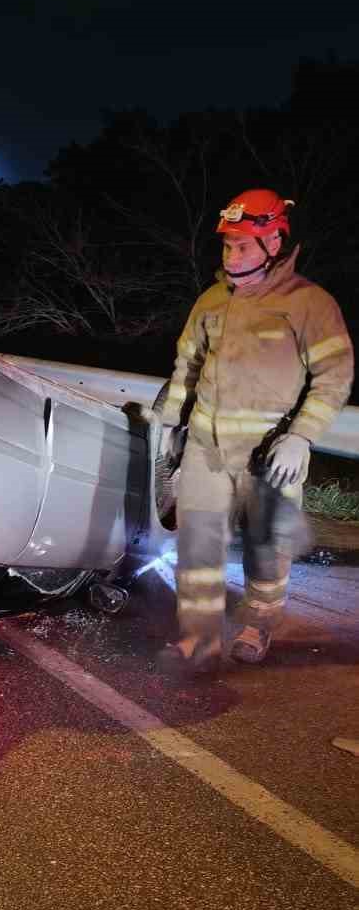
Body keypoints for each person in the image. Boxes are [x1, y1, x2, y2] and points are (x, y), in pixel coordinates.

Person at [159, 189, 353, 670]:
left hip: (270, 454)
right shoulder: (211, 299)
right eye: (227, 246)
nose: (232, 255)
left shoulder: (309, 303)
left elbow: (334, 375)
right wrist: (173, 422)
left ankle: (257, 626)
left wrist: (302, 435)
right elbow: (188, 363)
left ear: (276, 244)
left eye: (244, 245)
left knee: (267, 550)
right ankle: (198, 638)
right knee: (198, 542)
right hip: (207, 448)